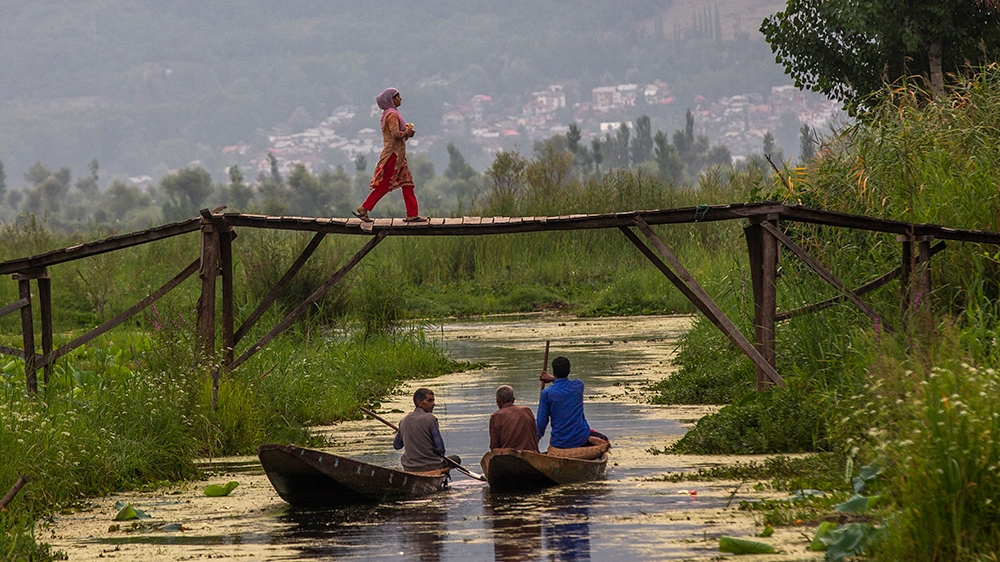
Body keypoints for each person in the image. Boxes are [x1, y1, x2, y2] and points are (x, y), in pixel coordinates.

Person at [354, 87, 427, 223]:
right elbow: (395, 134)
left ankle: (412, 214)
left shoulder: (392, 113)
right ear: (391, 99)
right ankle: (364, 207)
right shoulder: (392, 115)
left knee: (408, 183)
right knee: (385, 184)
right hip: (392, 155)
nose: (400, 99)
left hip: (399, 156)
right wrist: (407, 132)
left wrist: (406, 133)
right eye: (397, 96)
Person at [537, 356, 609, 449]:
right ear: (569, 371)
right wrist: (552, 379)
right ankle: (589, 438)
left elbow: (541, 423)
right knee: (604, 440)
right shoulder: (578, 386)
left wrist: (536, 439)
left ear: (554, 372)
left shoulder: (546, 393)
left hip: (559, 442)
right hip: (581, 438)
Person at [393, 388, 459, 472]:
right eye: (429, 401)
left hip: (409, 467)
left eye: (433, 401)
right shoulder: (431, 419)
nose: (433, 404)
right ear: (420, 403)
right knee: (456, 459)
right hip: (431, 466)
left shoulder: (404, 420)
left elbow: (397, 445)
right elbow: (440, 449)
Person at [489, 385, 540, 452]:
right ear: (513, 399)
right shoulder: (526, 410)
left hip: (510, 456)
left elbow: (494, 446)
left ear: (498, 401)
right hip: (532, 453)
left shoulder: (496, 416)